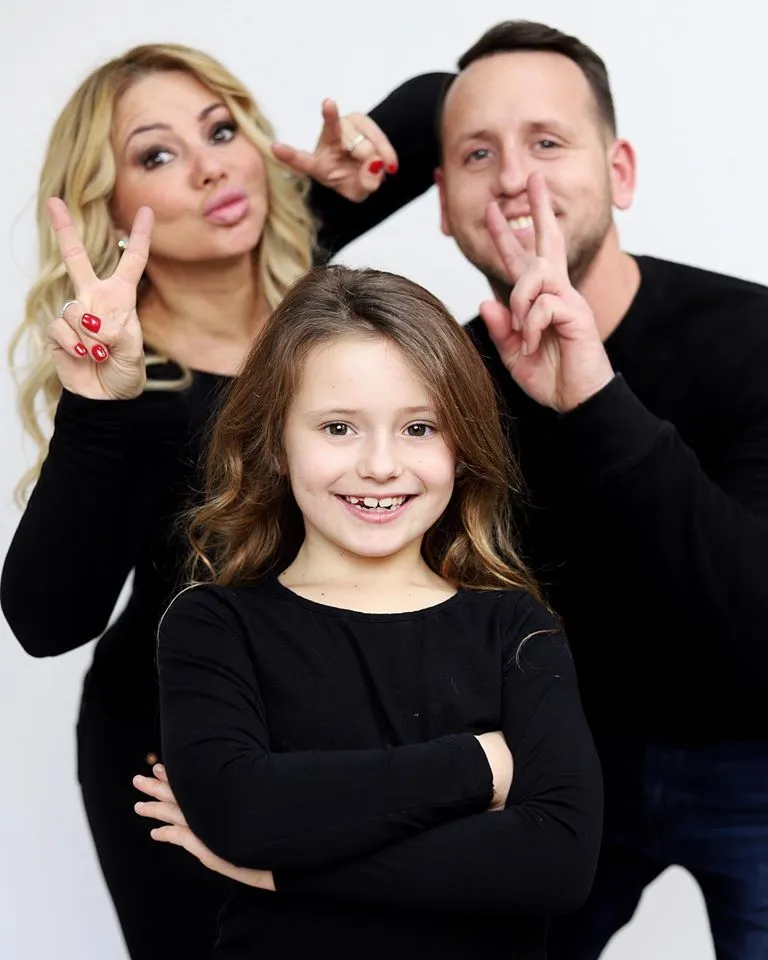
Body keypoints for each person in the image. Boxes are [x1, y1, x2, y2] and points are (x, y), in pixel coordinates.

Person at [0, 42, 453, 960]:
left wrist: (352, 162)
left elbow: (447, 103)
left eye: (219, 131)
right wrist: (97, 407)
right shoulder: (133, 390)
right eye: (157, 155)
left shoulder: (301, 269)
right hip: (176, 752)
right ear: (110, 208)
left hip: (355, 731)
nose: (209, 168)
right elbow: (45, 622)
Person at [130, 262, 602, 959]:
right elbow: (240, 812)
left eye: (419, 428)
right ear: (276, 443)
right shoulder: (214, 625)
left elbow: (557, 864)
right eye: (339, 427)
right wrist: (478, 766)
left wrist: (283, 868)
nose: (381, 465)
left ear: (461, 447)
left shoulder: (516, 629)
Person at [433, 19, 768, 960]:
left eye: (547, 142)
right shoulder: (436, 380)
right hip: (556, 762)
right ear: (444, 202)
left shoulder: (751, 338)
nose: (514, 179)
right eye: (478, 154)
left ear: (619, 172)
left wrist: (593, 398)